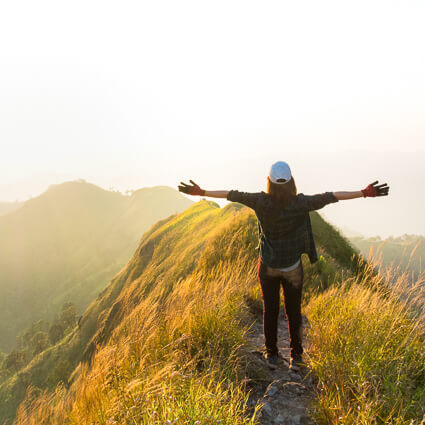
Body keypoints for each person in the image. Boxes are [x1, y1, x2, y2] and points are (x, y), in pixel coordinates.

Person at [178, 161, 389, 371]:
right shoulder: (300, 203)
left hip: (268, 266)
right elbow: (332, 196)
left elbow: (230, 194)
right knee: (293, 312)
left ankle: (271, 355)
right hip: (292, 267)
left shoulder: (260, 201)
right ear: (291, 182)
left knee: (270, 310)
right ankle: (296, 357)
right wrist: (363, 193)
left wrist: (201, 191)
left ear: (268, 181)